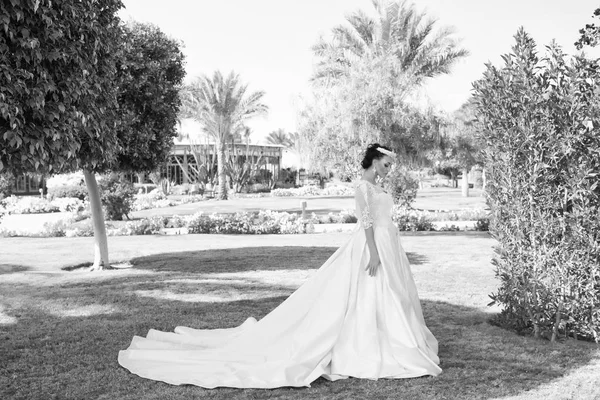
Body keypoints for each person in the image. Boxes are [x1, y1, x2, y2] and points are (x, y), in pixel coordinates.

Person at [118, 143, 442, 388]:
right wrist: (372, 252)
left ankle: (388, 338)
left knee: (388, 294)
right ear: (374, 161)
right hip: (372, 245)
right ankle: (369, 344)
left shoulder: (379, 186)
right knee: (367, 292)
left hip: (390, 243)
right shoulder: (362, 187)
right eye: (387, 164)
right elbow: (367, 222)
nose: (389, 169)